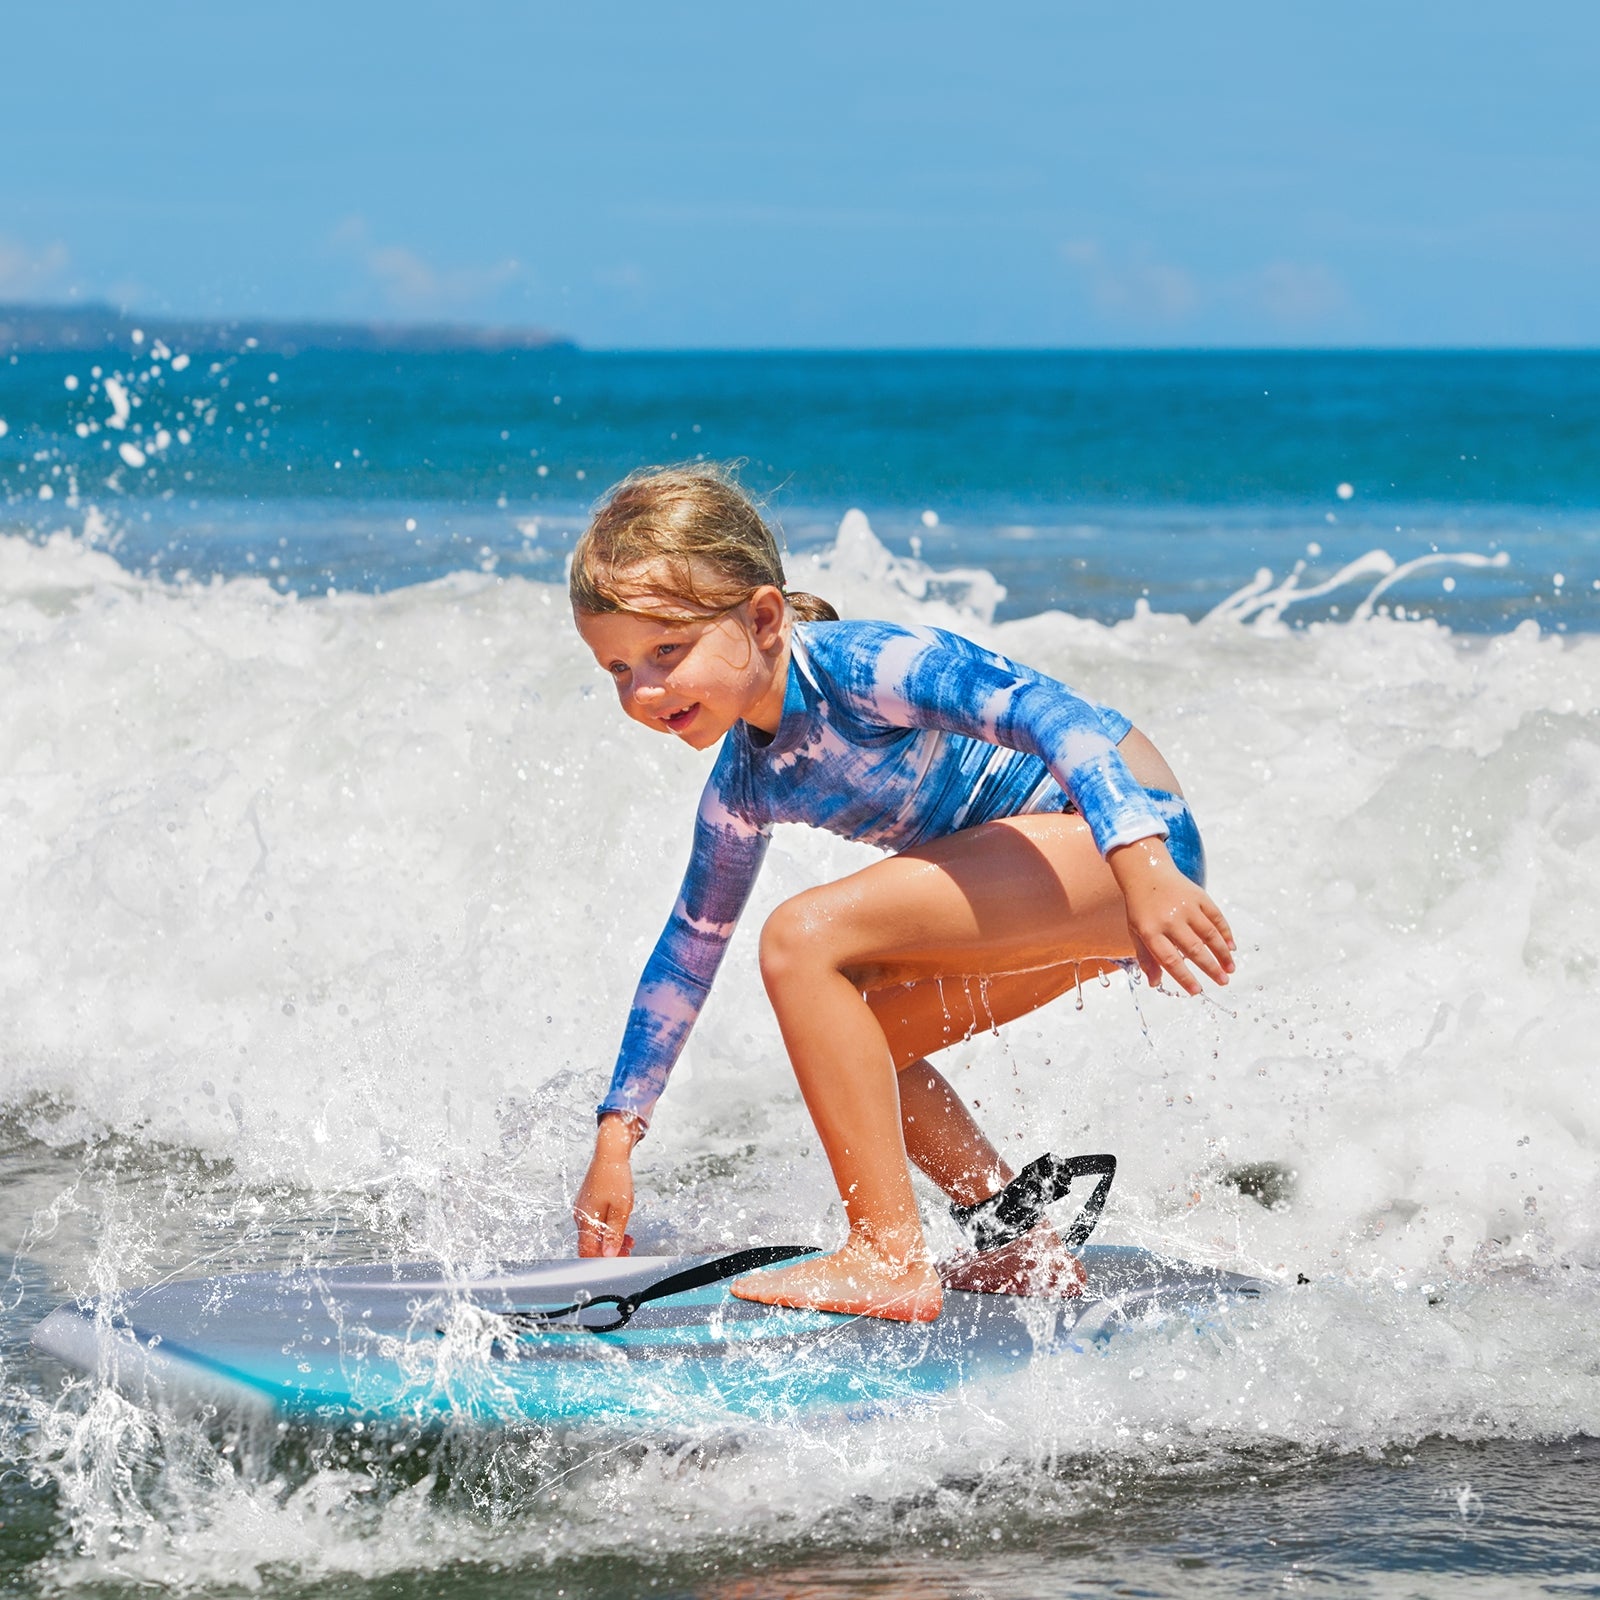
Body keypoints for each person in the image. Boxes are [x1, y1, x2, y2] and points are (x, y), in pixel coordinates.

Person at [569, 464, 1235, 1323]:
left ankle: (887, 1254)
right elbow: (688, 952)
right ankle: (1015, 1239)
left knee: (800, 939)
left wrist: (1141, 865)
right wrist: (616, 1140)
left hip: (1124, 840)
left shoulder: (864, 667)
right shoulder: (745, 782)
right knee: (858, 1033)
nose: (645, 690)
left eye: (668, 651)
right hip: (1059, 882)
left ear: (763, 618)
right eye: (618, 668)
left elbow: (1052, 713)